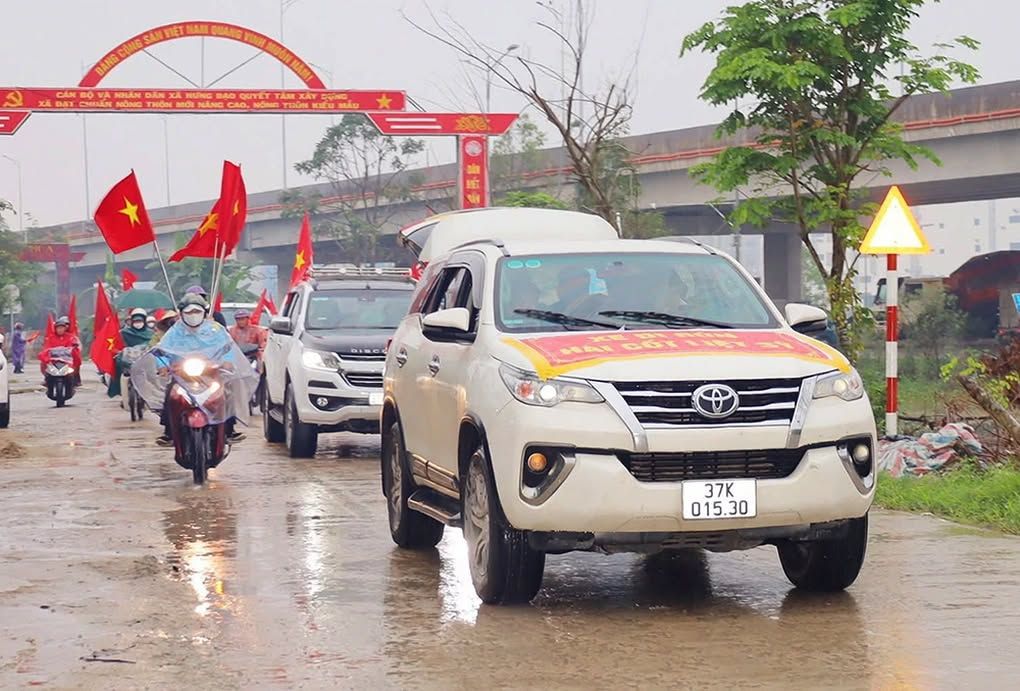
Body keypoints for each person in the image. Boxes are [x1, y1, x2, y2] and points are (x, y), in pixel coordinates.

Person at [149, 294, 248, 447]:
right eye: (189, 312)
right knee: (171, 395)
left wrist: (228, 361)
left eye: (197, 311)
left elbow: (228, 347)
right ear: (181, 314)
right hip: (182, 374)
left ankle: (229, 429)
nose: (193, 315)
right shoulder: (175, 331)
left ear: (204, 312)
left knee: (226, 391)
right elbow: (162, 349)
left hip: (211, 372)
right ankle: (168, 431)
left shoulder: (215, 329)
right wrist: (163, 364)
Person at [107, 308, 154, 398]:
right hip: (128, 359)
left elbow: (154, 344)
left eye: (140, 320)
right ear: (132, 321)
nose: (138, 323)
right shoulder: (124, 333)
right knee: (118, 363)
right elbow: (117, 344)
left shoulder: (151, 333)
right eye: (136, 321)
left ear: (144, 321)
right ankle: (119, 390)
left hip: (145, 359)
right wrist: (118, 351)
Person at [38, 316, 82, 381]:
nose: (60, 329)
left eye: (62, 327)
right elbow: (47, 348)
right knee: (46, 369)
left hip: (66, 360)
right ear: (55, 328)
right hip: (54, 360)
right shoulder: (51, 338)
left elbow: (75, 347)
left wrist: (74, 348)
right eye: (58, 328)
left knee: (73, 368)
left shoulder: (71, 337)